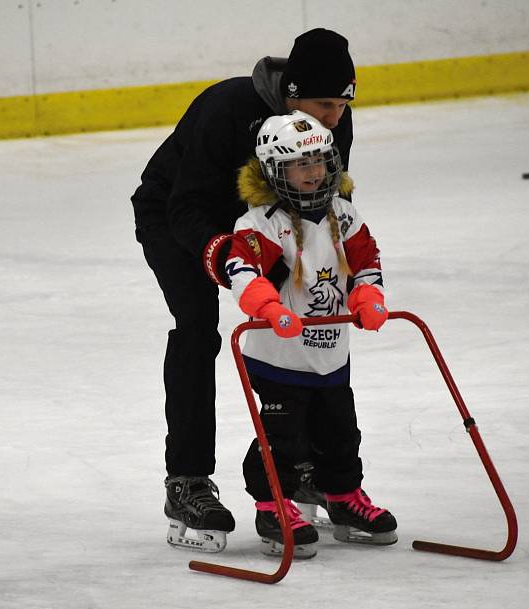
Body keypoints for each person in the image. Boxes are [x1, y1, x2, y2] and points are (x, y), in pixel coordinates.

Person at [130, 28, 357, 552]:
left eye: (343, 106)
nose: (334, 119)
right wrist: (230, 262)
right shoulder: (228, 107)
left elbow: (328, 199)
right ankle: (187, 480)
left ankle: (303, 466)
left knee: (308, 323)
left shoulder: (332, 122)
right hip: (178, 218)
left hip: (266, 225)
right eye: (324, 104)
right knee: (198, 329)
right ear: (292, 93)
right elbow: (184, 206)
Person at [223, 110, 398, 558]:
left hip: (331, 352)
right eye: (302, 165)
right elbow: (240, 267)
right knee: (283, 437)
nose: (315, 172)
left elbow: (366, 260)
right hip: (279, 356)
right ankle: (271, 504)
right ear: (274, 170)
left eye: (320, 161)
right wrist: (267, 306)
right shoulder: (259, 223)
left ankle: (342, 498)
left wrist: (368, 297)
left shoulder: (343, 213)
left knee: (340, 430)